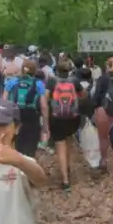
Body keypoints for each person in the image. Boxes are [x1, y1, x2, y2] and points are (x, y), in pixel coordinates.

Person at [45, 59, 86, 191]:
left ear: (56, 70)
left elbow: (45, 97)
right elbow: (84, 94)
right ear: (69, 70)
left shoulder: (52, 81)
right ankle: (67, 168)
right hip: (72, 118)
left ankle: (65, 180)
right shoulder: (74, 81)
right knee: (68, 143)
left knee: (60, 146)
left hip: (56, 118)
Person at [3, 59, 49, 157]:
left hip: (15, 115)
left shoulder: (12, 82)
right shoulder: (39, 84)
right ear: (35, 70)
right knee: (30, 146)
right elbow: (44, 106)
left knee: (17, 144)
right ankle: (28, 165)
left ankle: (18, 166)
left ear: (22, 69)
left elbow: (4, 102)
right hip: (32, 116)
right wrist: (45, 126)